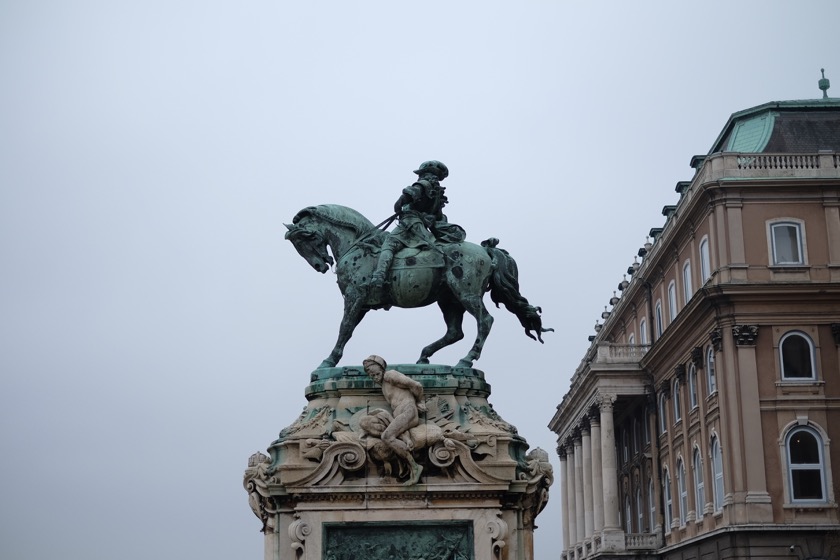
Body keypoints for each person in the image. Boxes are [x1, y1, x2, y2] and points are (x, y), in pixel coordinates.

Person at [370, 161, 465, 299]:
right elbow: (439, 217)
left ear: (425, 174)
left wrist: (398, 207)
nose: (419, 177)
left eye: (420, 174)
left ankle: (379, 277)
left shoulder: (423, 185)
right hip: (422, 228)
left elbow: (405, 199)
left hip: (409, 225)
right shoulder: (437, 193)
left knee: (388, 244)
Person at [362, 354, 426, 485]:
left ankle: (414, 467)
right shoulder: (384, 386)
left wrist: (419, 402)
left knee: (386, 436)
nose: (369, 372)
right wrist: (407, 439)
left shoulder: (389, 375)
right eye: (367, 371)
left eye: (370, 367)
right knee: (390, 434)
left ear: (380, 366)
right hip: (401, 415)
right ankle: (410, 465)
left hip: (408, 410)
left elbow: (416, 385)